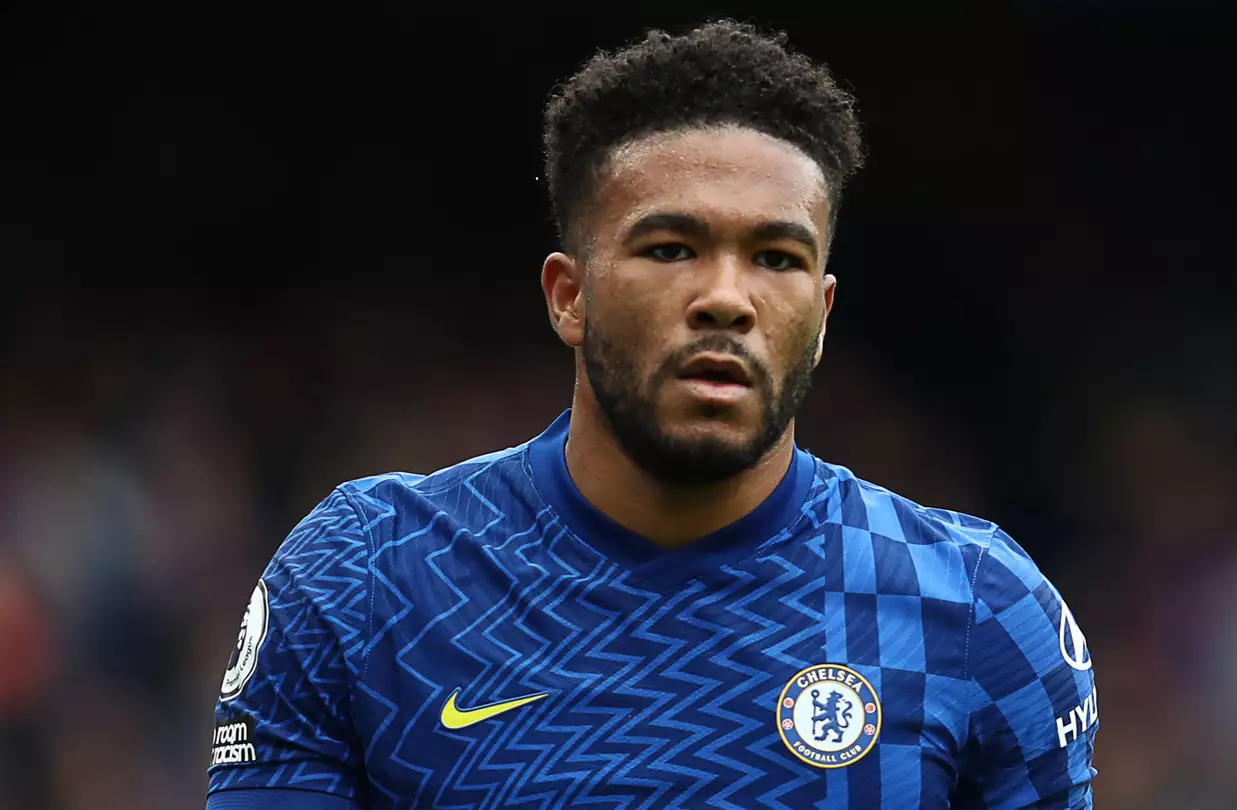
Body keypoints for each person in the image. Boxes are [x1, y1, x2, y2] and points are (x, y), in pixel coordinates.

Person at [206, 19, 1098, 809]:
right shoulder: (370, 577)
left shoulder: (977, 607)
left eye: (776, 257)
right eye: (671, 248)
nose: (725, 298)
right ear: (569, 296)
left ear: (822, 315)